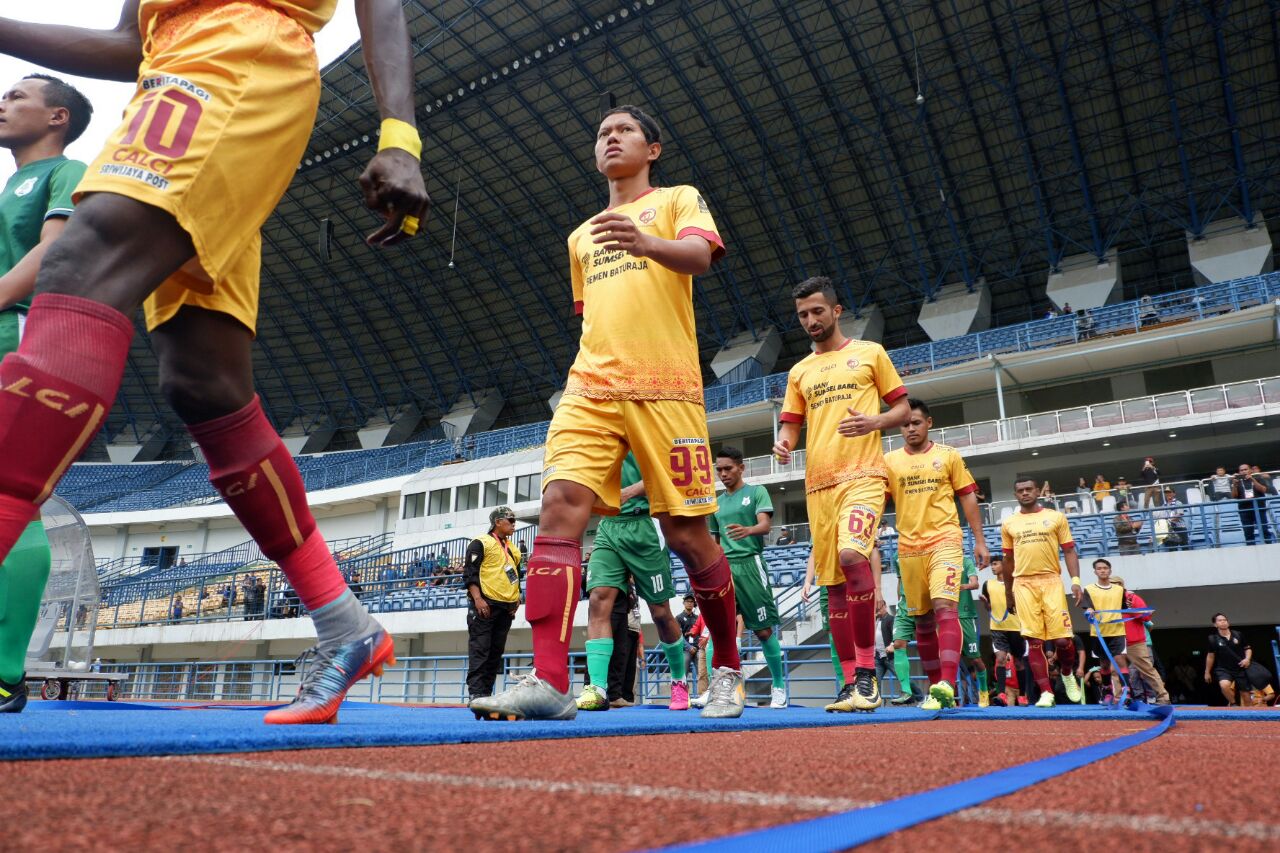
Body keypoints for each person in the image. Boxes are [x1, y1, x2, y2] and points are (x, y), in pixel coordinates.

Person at [0, 1, 428, 725]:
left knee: (80, 262)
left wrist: (400, 133)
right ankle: (345, 622)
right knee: (204, 383)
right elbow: (127, 44)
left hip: (238, 59)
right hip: (174, 75)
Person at [471, 106, 742, 722]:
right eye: (601, 133)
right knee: (559, 507)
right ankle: (548, 683)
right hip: (590, 383)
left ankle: (726, 667)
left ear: (654, 148)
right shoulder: (581, 235)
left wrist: (647, 242)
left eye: (623, 131)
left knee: (687, 534)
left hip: (667, 387)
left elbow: (701, 259)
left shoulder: (678, 200)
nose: (610, 138)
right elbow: (594, 314)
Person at [773, 276, 908, 713]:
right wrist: (784, 441)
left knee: (854, 556)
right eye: (802, 315)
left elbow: (902, 408)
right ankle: (851, 682)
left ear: (836, 311)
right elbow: (791, 422)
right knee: (832, 585)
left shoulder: (871, 354)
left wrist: (875, 423)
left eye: (817, 311)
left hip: (864, 475)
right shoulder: (799, 371)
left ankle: (869, 675)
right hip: (818, 486)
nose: (810, 320)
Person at [0, 74, 91, 712]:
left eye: (16, 97)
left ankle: (6, 672)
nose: (2, 103)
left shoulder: (68, 171)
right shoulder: (8, 187)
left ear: (57, 116)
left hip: (22, 334)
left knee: (16, 494)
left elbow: (54, 252)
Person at [883, 398, 989, 710]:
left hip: (945, 540)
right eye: (904, 424)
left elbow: (968, 497)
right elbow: (878, 501)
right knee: (924, 623)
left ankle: (946, 682)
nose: (910, 428)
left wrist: (979, 540)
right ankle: (936, 692)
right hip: (909, 549)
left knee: (945, 608)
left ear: (929, 423)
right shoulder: (889, 461)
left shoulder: (949, 455)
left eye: (916, 422)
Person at [575, 453, 692, 713]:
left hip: (645, 525)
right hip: (609, 526)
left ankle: (679, 681)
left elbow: (667, 472)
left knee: (660, 612)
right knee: (598, 599)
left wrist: (628, 492)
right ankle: (597, 688)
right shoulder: (600, 430)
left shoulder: (647, 421)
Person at [707, 446, 787, 709]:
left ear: (741, 467)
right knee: (720, 632)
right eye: (719, 469)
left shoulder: (756, 492)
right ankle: (716, 688)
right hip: (724, 568)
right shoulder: (715, 502)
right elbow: (714, 541)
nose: (723, 474)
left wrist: (748, 530)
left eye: (728, 468)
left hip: (751, 565)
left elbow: (766, 525)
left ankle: (778, 687)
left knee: (763, 630)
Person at [1001, 476, 1083, 708]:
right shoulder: (1009, 523)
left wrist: (1075, 581)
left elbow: (1069, 550)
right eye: (1020, 491)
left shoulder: (1055, 517)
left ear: (1038, 491)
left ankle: (1066, 672)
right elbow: (1008, 560)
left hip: (1051, 581)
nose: (1025, 493)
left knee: (1062, 640)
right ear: (1016, 495)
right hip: (1023, 584)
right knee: (1034, 641)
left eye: (1029, 489)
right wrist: (1008, 592)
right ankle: (1046, 692)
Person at [464, 507, 524, 703]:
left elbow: (516, 576)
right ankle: (475, 693)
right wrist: (478, 599)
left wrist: (517, 597)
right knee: (480, 649)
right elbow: (470, 573)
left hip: (506, 607)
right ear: (498, 522)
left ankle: (486, 694)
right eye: (510, 520)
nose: (514, 524)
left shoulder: (514, 549)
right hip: (485, 604)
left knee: (496, 652)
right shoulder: (480, 542)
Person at [980, 554, 1028, 707]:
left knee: (1019, 662)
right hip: (997, 627)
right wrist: (985, 604)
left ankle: (1022, 695)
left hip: (1016, 627)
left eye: (996, 564)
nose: (993, 567)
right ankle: (1001, 694)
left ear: (1004, 565)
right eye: (992, 564)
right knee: (1000, 659)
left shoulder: (1016, 583)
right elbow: (988, 607)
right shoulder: (987, 584)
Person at [1113, 578, 1169, 704]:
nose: (1115, 588)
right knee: (1115, 671)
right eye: (1112, 586)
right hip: (1115, 640)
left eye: (1117, 585)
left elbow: (1147, 617)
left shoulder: (1133, 598)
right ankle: (1119, 699)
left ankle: (1163, 697)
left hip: (1135, 641)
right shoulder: (1106, 601)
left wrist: (1132, 608)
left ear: (1122, 586)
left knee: (1147, 669)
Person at [1080, 559, 1127, 703]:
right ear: (1095, 571)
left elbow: (1125, 607)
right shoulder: (1088, 589)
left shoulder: (1120, 590)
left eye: (1105, 568)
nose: (1102, 570)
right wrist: (1089, 610)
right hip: (1099, 632)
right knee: (1105, 664)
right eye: (1099, 568)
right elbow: (1087, 607)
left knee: (1119, 661)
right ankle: (1107, 689)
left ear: (1110, 571)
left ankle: (1126, 691)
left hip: (1117, 630)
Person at [801, 550, 846, 695]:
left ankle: (859, 684)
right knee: (833, 635)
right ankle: (845, 687)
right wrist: (807, 581)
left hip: (849, 580)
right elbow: (815, 552)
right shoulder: (818, 527)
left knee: (853, 635)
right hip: (826, 585)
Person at [1204, 613, 1252, 706]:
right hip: (1223, 669)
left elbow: (1247, 648)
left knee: (1246, 695)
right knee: (1224, 685)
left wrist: (1247, 659)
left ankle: (1251, 715)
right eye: (1220, 620)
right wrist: (1207, 672)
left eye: (1225, 620)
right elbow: (1210, 656)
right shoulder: (1212, 639)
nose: (1223, 622)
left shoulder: (1238, 634)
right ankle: (1233, 703)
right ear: (1215, 624)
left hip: (1240, 668)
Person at [1232, 464, 1274, 545]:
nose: (1244, 471)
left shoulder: (1258, 478)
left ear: (1250, 470)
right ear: (1239, 472)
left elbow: (1263, 490)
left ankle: (1268, 545)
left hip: (1259, 508)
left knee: (1263, 529)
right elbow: (1234, 496)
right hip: (1244, 509)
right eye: (1241, 470)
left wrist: (1252, 480)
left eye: (1245, 469)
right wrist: (1234, 485)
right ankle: (1251, 548)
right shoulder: (1237, 481)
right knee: (1248, 531)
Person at [675, 594, 699, 685]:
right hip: (685, 649)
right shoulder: (679, 617)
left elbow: (700, 634)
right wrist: (689, 647)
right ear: (683, 603)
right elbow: (678, 635)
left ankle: (703, 694)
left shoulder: (697, 617)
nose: (689, 603)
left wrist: (696, 647)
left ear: (694, 604)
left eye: (691, 601)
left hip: (697, 648)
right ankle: (682, 697)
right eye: (687, 601)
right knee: (682, 674)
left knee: (702, 673)